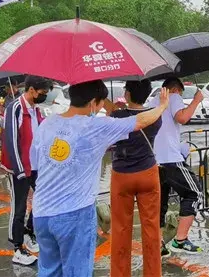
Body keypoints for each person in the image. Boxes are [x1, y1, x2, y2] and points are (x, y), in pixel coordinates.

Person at [30, 80, 169, 277]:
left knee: (50, 271)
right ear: (93, 103)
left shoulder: (47, 123)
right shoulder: (96, 125)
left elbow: (34, 166)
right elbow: (140, 121)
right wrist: (162, 105)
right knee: (77, 271)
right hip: (75, 213)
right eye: (102, 102)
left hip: (42, 212)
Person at [106, 80, 163, 277]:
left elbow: (112, 132)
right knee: (151, 228)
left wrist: (113, 110)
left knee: (120, 229)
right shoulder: (155, 117)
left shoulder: (117, 116)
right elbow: (142, 119)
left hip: (122, 176)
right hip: (147, 173)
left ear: (128, 94)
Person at [148, 77, 204, 254]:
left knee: (160, 203)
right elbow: (183, 117)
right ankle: (180, 240)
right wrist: (196, 100)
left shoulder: (153, 101)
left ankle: (158, 245)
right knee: (195, 192)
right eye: (180, 92)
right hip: (170, 159)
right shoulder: (173, 97)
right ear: (175, 89)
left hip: (154, 160)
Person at [0, 75, 52, 266]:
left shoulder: (35, 109)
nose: (43, 96)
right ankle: (17, 247)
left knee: (42, 199)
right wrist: (19, 169)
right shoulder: (14, 108)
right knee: (19, 206)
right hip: (20, 168)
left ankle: (29, 232)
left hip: (37, 166)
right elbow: (11, 140)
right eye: (42, 93)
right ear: (31, 90)